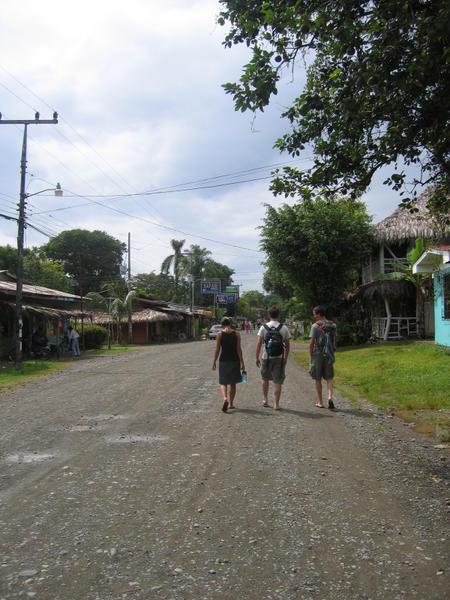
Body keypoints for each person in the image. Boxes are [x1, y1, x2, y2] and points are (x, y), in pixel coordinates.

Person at [256, 306, 290, 410]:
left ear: (269, 315)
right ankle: (276, 404)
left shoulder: (263, 327)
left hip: (266, 357)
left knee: (265, 378)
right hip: (279, 357)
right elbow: (288, 345)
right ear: (278, 315)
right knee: (277, 381)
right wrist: (285, 357)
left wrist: (256, 357)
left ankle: (265, 400)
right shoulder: (283, 328)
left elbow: (259, 343)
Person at [212, 317, 245, 412]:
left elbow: (218, 350)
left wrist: (214, 361)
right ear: (230, 324)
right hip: (235, 360)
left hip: (223, 361)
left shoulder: (220, 334)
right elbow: (239, 349)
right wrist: (242, 362)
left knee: (223, 382)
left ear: (222, 325)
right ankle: (231, 404)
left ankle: (225, 398)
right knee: (233, 383)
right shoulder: (237, 334)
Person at [309, 306, 337, 409]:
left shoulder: (315, 326)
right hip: (329, 354)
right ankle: (330, 397)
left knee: (317, 378)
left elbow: (312, 343)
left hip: (318, 354)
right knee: (329, 377)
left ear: (319, 314)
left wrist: (311, 355)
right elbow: (334, 340)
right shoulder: (333, 325)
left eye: (314, 313)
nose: (313, 315)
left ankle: (320, 402)